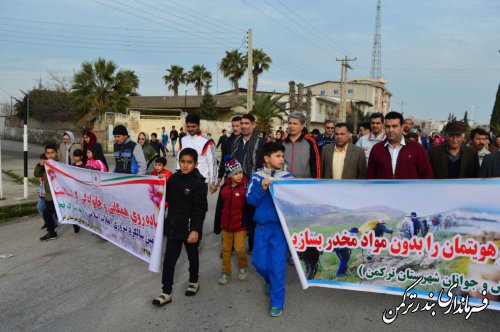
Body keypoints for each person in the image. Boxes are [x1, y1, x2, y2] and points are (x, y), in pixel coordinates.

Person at [152, 148, 208, 306]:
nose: (185, 165)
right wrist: (161, 182)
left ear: (195, 164)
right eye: (182, 161)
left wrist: (195, 230)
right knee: (169, 260)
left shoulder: (199, 184)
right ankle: (166, 292)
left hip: (190, 229)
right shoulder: (174, 179)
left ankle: (194, 281)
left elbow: (200, 209)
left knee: (192, 257)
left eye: (189, 162)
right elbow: (166, 197)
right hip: (173, 227)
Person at [247, 142, 294, 317]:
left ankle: (277, 302)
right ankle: (269, 280)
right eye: (278, 156)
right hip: (261, 229)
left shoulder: (288, 177)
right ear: (267, 158)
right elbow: (251, 200)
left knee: (277, 267)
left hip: (279, 231)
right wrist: (263, 187)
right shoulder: (257, 177)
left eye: (283, 156)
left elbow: (293, 201)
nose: (282, 159)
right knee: (259, 264)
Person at [223, 114, 266, 254]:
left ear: (253, 125)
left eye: (246, 123)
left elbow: (264, 165)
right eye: (242, 123)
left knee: (252, 217)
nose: (243, 126)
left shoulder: (261, 143)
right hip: (236, 184)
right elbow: (229, 162)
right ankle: (232, 246)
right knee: (236, 215)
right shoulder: (235, 142)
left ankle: (252, 247)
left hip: (253, 185)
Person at [213, 159, 249, 285]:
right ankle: (226, 272)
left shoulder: (246, 187)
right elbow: (219, 208)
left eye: (240, 172)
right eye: (235, 173)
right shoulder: (224, 188)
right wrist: (217, 225)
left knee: (239, 249)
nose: (239, 176)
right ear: (229, 175)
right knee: (226, 250)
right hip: (226, 226)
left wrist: (248, 224)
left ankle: (243, 267)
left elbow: (249, 208)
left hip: (240, 226)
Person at [366, 112, 433, 179]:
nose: (390, 130)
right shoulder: (377, 149)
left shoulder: (416, 148)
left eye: (394, 126)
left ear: (402, 127)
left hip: (410, 189)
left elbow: (427, 174)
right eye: (387, 126)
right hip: (382, 189)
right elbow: (370, 175)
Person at [177, 114, 217, 193]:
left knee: (199, 205)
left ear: (199, 125)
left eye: (193, 126)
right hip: (184, 179)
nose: (190, 129)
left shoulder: (207, 141)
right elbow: (178, 160)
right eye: (188, 127)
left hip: (201, 181)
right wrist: (176, 177)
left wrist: (213, 182)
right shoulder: (183, 140)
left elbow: (212, 163)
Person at [282, 112, 321, 179]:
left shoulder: (310, 142)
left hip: (303, 184)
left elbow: (316, 165)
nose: (292, 126)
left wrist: (317, 182)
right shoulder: (282, 142)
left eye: (295, 124)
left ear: (302, 126)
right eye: (290, 123)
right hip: (284, 183)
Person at [35, 144, 60, 241]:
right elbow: (36, 174)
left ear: (56, 153)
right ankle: (52, 231)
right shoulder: (44, 165)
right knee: (47, 213)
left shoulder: (59, 164)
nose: (50, 155)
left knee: (48, 213)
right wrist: (40, 165)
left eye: (52, 153)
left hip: (58, 194)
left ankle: (52, 231)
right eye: (48, 153)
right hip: (49, 195)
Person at [216, 116, 243, 182]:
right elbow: (224, 159)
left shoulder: (246, 141)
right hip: (230, 176)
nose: (235, 128)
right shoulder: (228, 141)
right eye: (233, 126)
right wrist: (220, 176)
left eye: (237, 126)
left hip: (243, 177)